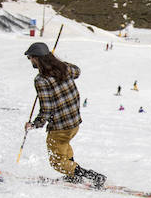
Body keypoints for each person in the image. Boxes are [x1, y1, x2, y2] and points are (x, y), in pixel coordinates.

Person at [23, 42, 106, 187]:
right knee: (64, 147)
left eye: (30, 57)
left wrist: (35, 124)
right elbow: (77, 71)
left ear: (37, 58)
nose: (30, 61)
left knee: (57, 162)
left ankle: (92, 176)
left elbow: (47, 108)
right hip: (74, 122)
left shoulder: (41, 80)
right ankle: (73, 176)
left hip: (60, 126)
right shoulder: (64, 69)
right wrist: (60, 63)